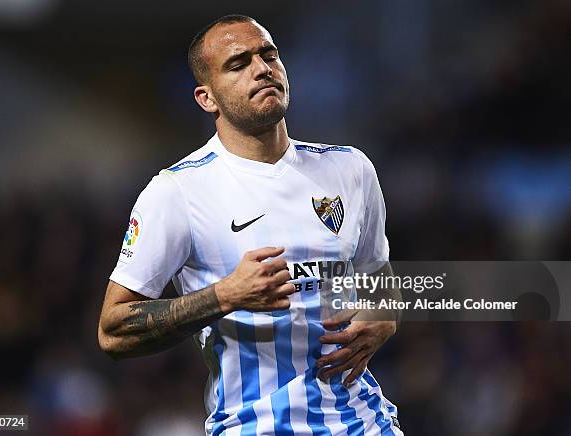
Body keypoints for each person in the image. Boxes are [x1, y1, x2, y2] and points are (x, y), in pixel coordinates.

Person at [98, 14, 402, 435]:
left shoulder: (349, 168)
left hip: (364, 423)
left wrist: (385, 312)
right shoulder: (177, 192)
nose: (263, 68)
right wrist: (225, 295)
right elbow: (113, 331)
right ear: (207, 98)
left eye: (269, 55)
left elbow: (378, 274)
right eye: (239, 64)